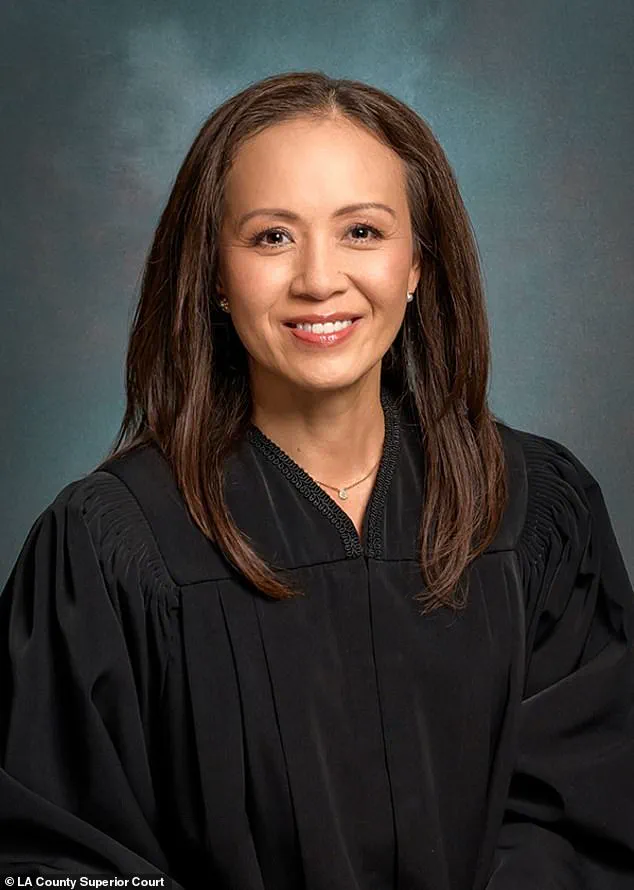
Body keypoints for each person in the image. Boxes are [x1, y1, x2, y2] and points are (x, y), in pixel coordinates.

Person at [1, 70, 632, 890]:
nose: (318, 279)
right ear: (215, 275)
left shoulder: (532, 509)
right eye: (272, 237)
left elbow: (588, 816)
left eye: (362, 231)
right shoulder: (110, 546)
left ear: (418, 263)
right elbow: (56, 858)